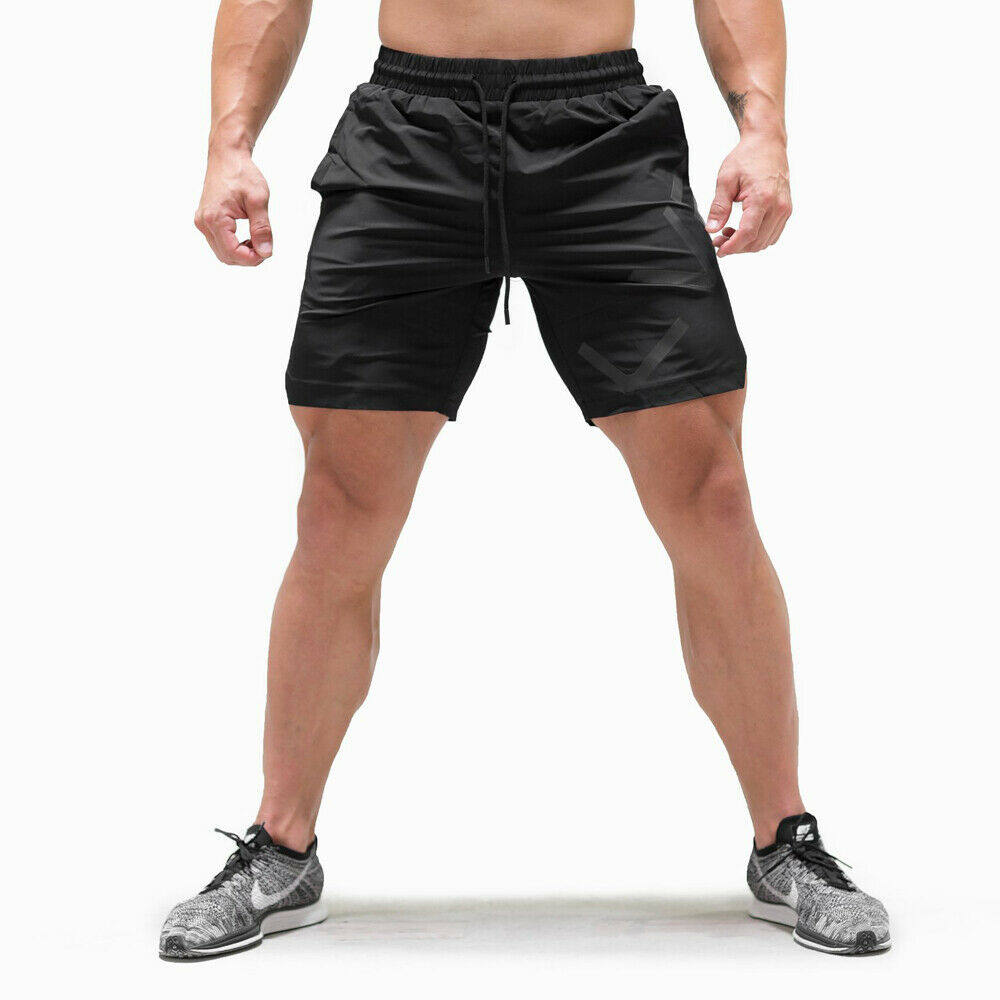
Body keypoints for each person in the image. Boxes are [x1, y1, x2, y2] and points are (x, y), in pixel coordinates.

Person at [160, 0, 890, 960]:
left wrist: (764, 128)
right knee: (338, 511)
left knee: (711, 495)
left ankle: (785, 840)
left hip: (604, 141)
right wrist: (230, 142)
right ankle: (282, 847)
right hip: (408, 141)